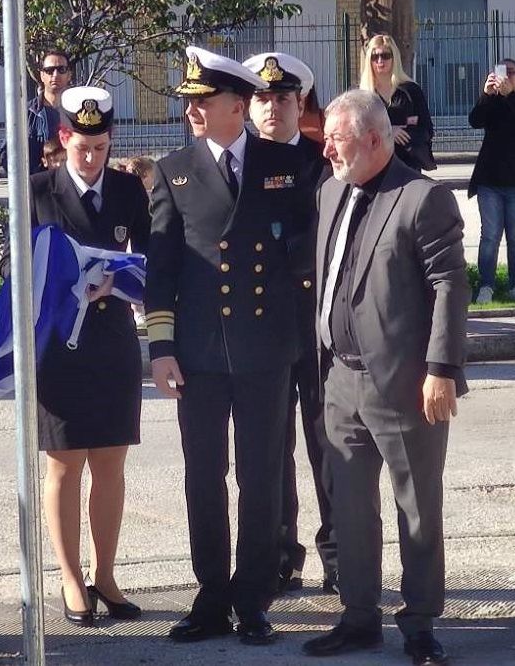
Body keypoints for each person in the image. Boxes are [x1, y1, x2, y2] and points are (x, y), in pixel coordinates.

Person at [145, 46, 315, 647]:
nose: (192, 109)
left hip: (267, 347)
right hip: (199, 352)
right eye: (189, 100)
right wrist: (160, 347)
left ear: (237, 106)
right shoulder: (174, 170)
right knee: (204, 476)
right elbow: (160, 268)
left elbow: (307, 251)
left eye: (204, 99)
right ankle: (212, 594)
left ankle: (254, 598)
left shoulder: (288, 165)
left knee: (262, 475)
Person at [303, 90, 469, 666]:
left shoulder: (423, 198)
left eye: (336, 138)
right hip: (339, 379)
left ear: (374, 139)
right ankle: (358, 616)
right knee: (347, 505)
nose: (325, 147)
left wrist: (442, 369)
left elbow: (450, 284)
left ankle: (420, 623)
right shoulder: (329, 192)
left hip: (404, 381)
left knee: (417, 506)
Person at [30, 86, 151, 626]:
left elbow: (152, 259)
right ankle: (70, 576)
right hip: (60, 345)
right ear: (63, 137)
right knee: (64, 464)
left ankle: (106, 573)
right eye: (82, 145)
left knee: (110, 463)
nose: (91, 156)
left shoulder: (129, 191)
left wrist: (116, 280)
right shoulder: (39, 190)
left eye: (100, 146)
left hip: (112, 343)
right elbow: (20, 270)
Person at [243, 51, 337, 598]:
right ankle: (280, 555)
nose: (273, 106)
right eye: (263, 97)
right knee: (269, 448)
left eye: (283, 98)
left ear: (299, 102)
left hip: (315, 323)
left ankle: (339, 556)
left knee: (329, 443)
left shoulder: (320, 161)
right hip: (259, 325)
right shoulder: (239, 161)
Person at [468, 58, 515, 304]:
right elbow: (475, 120)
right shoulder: (493, 103)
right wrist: (486, 96)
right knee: (489, 235)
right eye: (502, 72)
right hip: (490, 182)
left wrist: (510, 95)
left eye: (512, 73)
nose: (507, 77)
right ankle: (486, 285)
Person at [358, 34, 436, 172]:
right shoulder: (364, 95)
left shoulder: (411, 90)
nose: (380, 61)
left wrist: (406, 132)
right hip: (375, 166)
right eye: (374, 57)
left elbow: (427, 130)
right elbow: (358, 131)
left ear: (394, 58)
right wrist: (389, 132)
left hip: (408, 164)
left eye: (385, 55)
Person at [0, 48, 72, 176]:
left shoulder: (79, 112)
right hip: (37, 189)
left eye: (61, 69)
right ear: (42, 75)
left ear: (69, 75)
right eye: (49, 70)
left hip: (73, 188)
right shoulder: (25, 113)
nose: (55, 75)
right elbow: (7, 155)